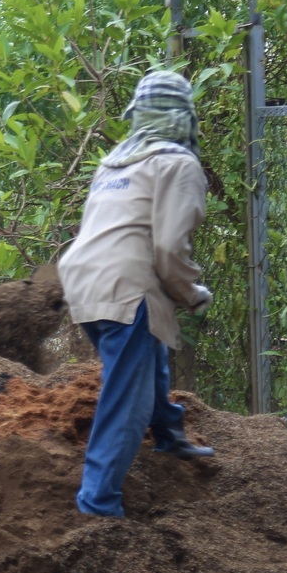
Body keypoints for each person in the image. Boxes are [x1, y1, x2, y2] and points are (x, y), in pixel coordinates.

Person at [57, 70, 215, 519]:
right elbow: (168, 249)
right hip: (127, 288)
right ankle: (98, 504)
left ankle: (168, 433)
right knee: (127, 399)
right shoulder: (178, 164)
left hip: (84, 281)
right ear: (182, 116)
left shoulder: (116, 161)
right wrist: (191, 293)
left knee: (147, 358)